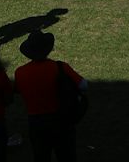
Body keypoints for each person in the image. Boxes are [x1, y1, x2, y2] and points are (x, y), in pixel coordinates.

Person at [14, 29, 85, 162]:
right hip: (61, 120)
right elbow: (83, 85)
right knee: (66, 156)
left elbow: (17, 90)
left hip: (36, 122)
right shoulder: (60, 67)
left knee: (41, 156)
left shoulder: (20, 72)